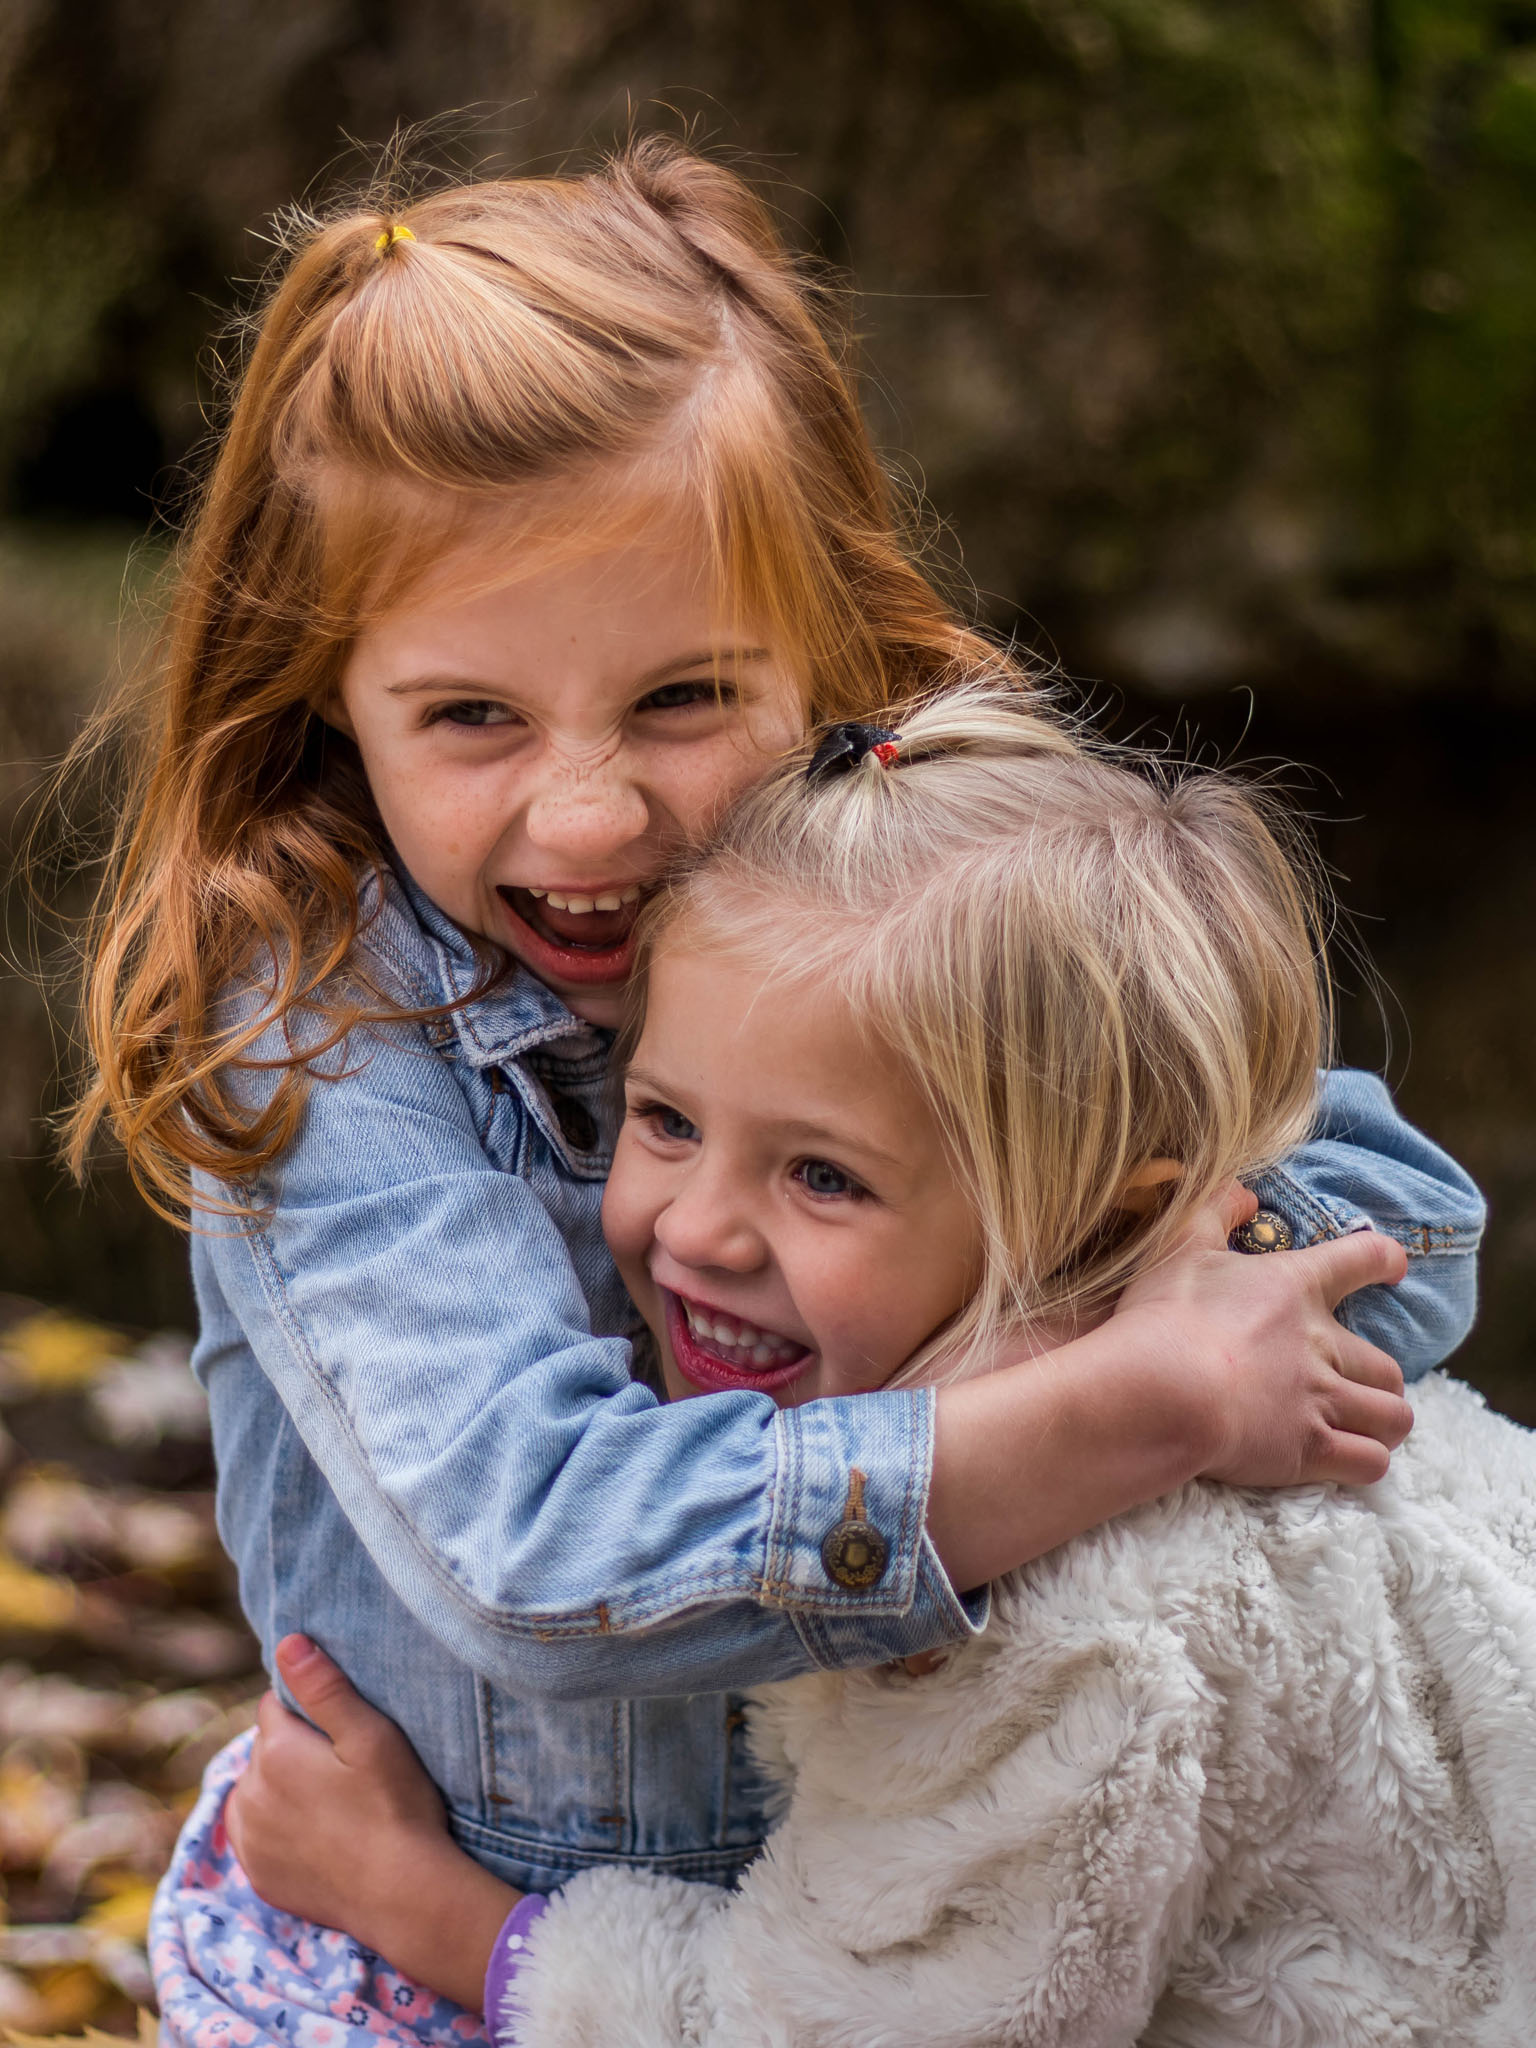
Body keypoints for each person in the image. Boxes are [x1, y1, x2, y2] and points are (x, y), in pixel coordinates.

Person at [67, 138, 1475, 2037]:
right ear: (325, 687)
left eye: (682, 703)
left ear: (830, 643)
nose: (591, 816)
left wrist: (1120, 1295)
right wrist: (1112, 1409)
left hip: (896, 1918)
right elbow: (542, 1552)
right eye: (471, 716)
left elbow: (1401, 1223)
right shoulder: (325, 1028)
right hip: (441, 1927)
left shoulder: (922, 893)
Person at [226, 693, 1535, 2046]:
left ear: (1114, 1223)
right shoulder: (1240, 1355)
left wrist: (425, 1909)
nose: (697, 1228)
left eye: (824, 1177)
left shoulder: (1071, 1626)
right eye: (664, 1118)